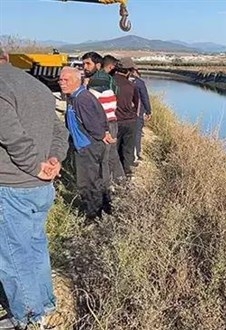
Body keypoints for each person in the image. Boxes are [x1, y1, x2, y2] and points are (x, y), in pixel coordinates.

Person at [0, 49, 69, 329]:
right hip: (41, 186)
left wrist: (35, 166)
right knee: (35, 246)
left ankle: (28, 317)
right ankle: (45, 302)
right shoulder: (36, 85)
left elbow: (11, 136)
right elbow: (59, 131)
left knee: (13, 255)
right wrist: (54, 159)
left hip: (12, 185)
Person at [59, 67, 110, 222]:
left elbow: (95, 124)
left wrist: (101, 135)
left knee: (87, 182)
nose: (61, 83)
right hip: (86, 145)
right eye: (60, 79)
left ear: (76, 80)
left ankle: (92, 215)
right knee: (94, 179)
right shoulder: (76, 96)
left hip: (88, 147)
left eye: (65, 80)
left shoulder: (82, 99)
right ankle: (104, 208)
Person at [82, 52, 125, 195]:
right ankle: (121, 181)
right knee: (112, 153)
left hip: (104, 123)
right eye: (83, 64)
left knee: (103, 158)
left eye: (88, 64)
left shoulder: (95, 81)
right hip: (113, 121)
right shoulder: (109, 80)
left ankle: (106, 189)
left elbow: (90, 107)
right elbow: (116, 94)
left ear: (98, 65)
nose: (84, 67)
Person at [113, 58, 140, 177]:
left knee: (114, 150)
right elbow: (137, 104)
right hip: (130, 121)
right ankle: (127, 175)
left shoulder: (110, 83)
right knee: (128, 150)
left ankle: (115, 176)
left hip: (115, 121)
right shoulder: (131, 85)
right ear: (128, 71)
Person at [129, 66, 151, 163]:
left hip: (123, 113)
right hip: (137, 112)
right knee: (137, 133)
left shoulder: (120, 81)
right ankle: (136, 155)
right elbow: (145, 97)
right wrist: (148, 111)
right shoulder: (139, 83)